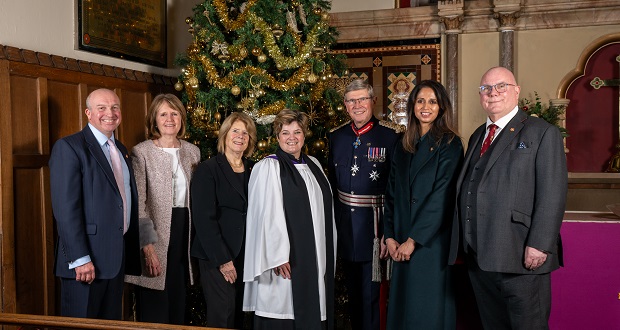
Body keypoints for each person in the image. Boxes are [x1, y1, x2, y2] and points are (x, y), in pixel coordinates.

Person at [449, 66, 568, 329]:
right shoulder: (479, 134)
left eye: (501, 86)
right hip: (480, 258)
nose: (493, 93)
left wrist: (540, 244)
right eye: (486, 88)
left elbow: (553, 191)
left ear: (516, 91)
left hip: (521, 256)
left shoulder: (542, 132)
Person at [49, 88, 141, 319]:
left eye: (115, 107)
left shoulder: (120, 149)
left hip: (115, 261)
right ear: (88, 113)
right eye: (102, 108)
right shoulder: (69, 147)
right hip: (85, 264)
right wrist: (80, 259)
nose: (109, 113)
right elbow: (66, 210)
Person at [243, 109, 336, 330]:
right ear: (277, 137)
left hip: (315, 256)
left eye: (297, 132)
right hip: (283, 261)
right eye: (285, 133)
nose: (292, 138)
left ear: (304, 135)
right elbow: (264, 216)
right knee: (283, 306)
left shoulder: (313, 164)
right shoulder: (268, 167)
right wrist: (276, 256)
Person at [383, 80, 463, 329]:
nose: (425, 107)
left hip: (430, 242)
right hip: (401, 240)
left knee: (426, 311)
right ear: (412, 106)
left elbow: (442, 197)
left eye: (432, 101)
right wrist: (390, 237)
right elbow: (391, 194)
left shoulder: (450, 144)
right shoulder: (403, 144)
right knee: (402, 310)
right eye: (420, 101)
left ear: (441, 107)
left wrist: (413, 240)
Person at [327, 79, 402, 330]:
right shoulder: (336, 137)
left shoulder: (391, 136)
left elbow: (396, 191)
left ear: (373, 101)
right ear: (345, 105)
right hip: (344, 231)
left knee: (373, 301)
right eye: (351, 100)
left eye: (362, 99)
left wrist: (388, 233)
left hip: (375, 232)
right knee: (352, 300)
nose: (357, 105)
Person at [124, 94, 200, 324]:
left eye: (174, 113)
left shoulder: (192, 151)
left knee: (178, 303)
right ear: (154, 120)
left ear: (181, 118)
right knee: (155, 305)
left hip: (184, 234)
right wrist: (148, 248)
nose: (169, 119)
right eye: (163, 114)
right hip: (154, 235)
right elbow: (138, 205)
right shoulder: (142, 152)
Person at [191, 112, 257, 329]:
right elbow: (204, 220)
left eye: (245, 133)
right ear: (225, 135)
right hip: (217, 256)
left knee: (239, 316)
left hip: (245, 255)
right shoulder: (208, 170)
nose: (240, 136)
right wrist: (223, 260)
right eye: (235, 131)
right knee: (222, 316)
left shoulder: (254, 169)